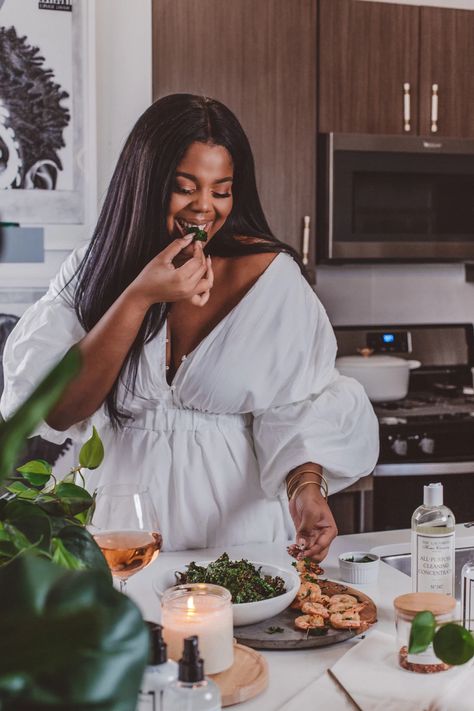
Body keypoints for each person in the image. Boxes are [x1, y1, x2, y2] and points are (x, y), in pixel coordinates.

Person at [0, 94, 379, 559]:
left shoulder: (270, 278)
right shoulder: (95, 269)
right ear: (146, 184)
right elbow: (61, 410)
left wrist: (306, 491)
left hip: (239, 529)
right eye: (185, 187)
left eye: (221, 190)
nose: (205, 208)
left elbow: (298, 405)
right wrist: (139, 296)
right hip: (126, 528)